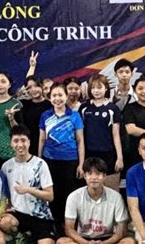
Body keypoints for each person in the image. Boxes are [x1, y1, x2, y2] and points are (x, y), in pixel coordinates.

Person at [56, 156, 136, 244]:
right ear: (85, 176)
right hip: (83, 239)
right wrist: (85, 243)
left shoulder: (116, 197)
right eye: (89, 174)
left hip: (108, 240)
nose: (94, 178)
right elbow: (69, 229)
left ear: (104, 176)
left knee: (131, 243)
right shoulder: (74, 197)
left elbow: (121, 231)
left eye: (98, 174)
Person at [1, 126, 56, 244]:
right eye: (16, 141)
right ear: (11, 143)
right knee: (5, 222)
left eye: (23, 140)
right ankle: (20, 237)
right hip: (18, 214)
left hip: (40, 216)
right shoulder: (6, 166)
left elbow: (50, 196)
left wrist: (28, 190)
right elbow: (5, 195)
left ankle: (34, 236)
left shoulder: (40, 164)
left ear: (29, 142)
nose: (20, 145)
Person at [39, 84, 85, 223]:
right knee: (54, 195)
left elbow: (80, 141)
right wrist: (39, 162)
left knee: (70, 195)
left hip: (70, 161)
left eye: (60, 95)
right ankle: (56, 225)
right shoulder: (45, 115)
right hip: (50, 160)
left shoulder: (75, 116)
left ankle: (70, 225)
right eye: (54, 95)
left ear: (66, 96)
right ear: (49, 97)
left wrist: (81, 164)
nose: (57, 98)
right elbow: (42, 140)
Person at [79, 74, 123, 188]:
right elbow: (80, 136)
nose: (96, 91)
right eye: (93, 88)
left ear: (106, 88)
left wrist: (119, 157)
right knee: (91, 189)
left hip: (108, 154)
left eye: (99, 87)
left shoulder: (113, 109)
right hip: (89, 154)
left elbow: (116, 135)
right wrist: (81, 161)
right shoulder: (84, 108)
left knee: (111, 190)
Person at [16, 76, 49, 156]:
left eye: (36, 86)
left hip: (46, 146)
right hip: (27, 146)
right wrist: (17, 95)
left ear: (42, 86)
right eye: (29, 87)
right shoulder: (23, 104)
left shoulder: (50, 105)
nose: (33, 90)